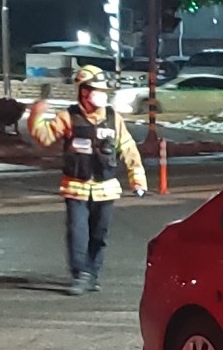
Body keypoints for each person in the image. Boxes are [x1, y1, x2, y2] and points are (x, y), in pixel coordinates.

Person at [25, 65, 148, 295]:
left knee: (99, 235)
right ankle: (80, 274)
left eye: (102, 90)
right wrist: (35, 115)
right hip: (76, 188)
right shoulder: (68, 117)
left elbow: (128, 149)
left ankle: (92, 274)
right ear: (83, 91)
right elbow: (44, 137)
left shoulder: (112, 118)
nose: (101, 94)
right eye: (96, 89)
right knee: (77, 234)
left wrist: (138, 180)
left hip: (106, 189)